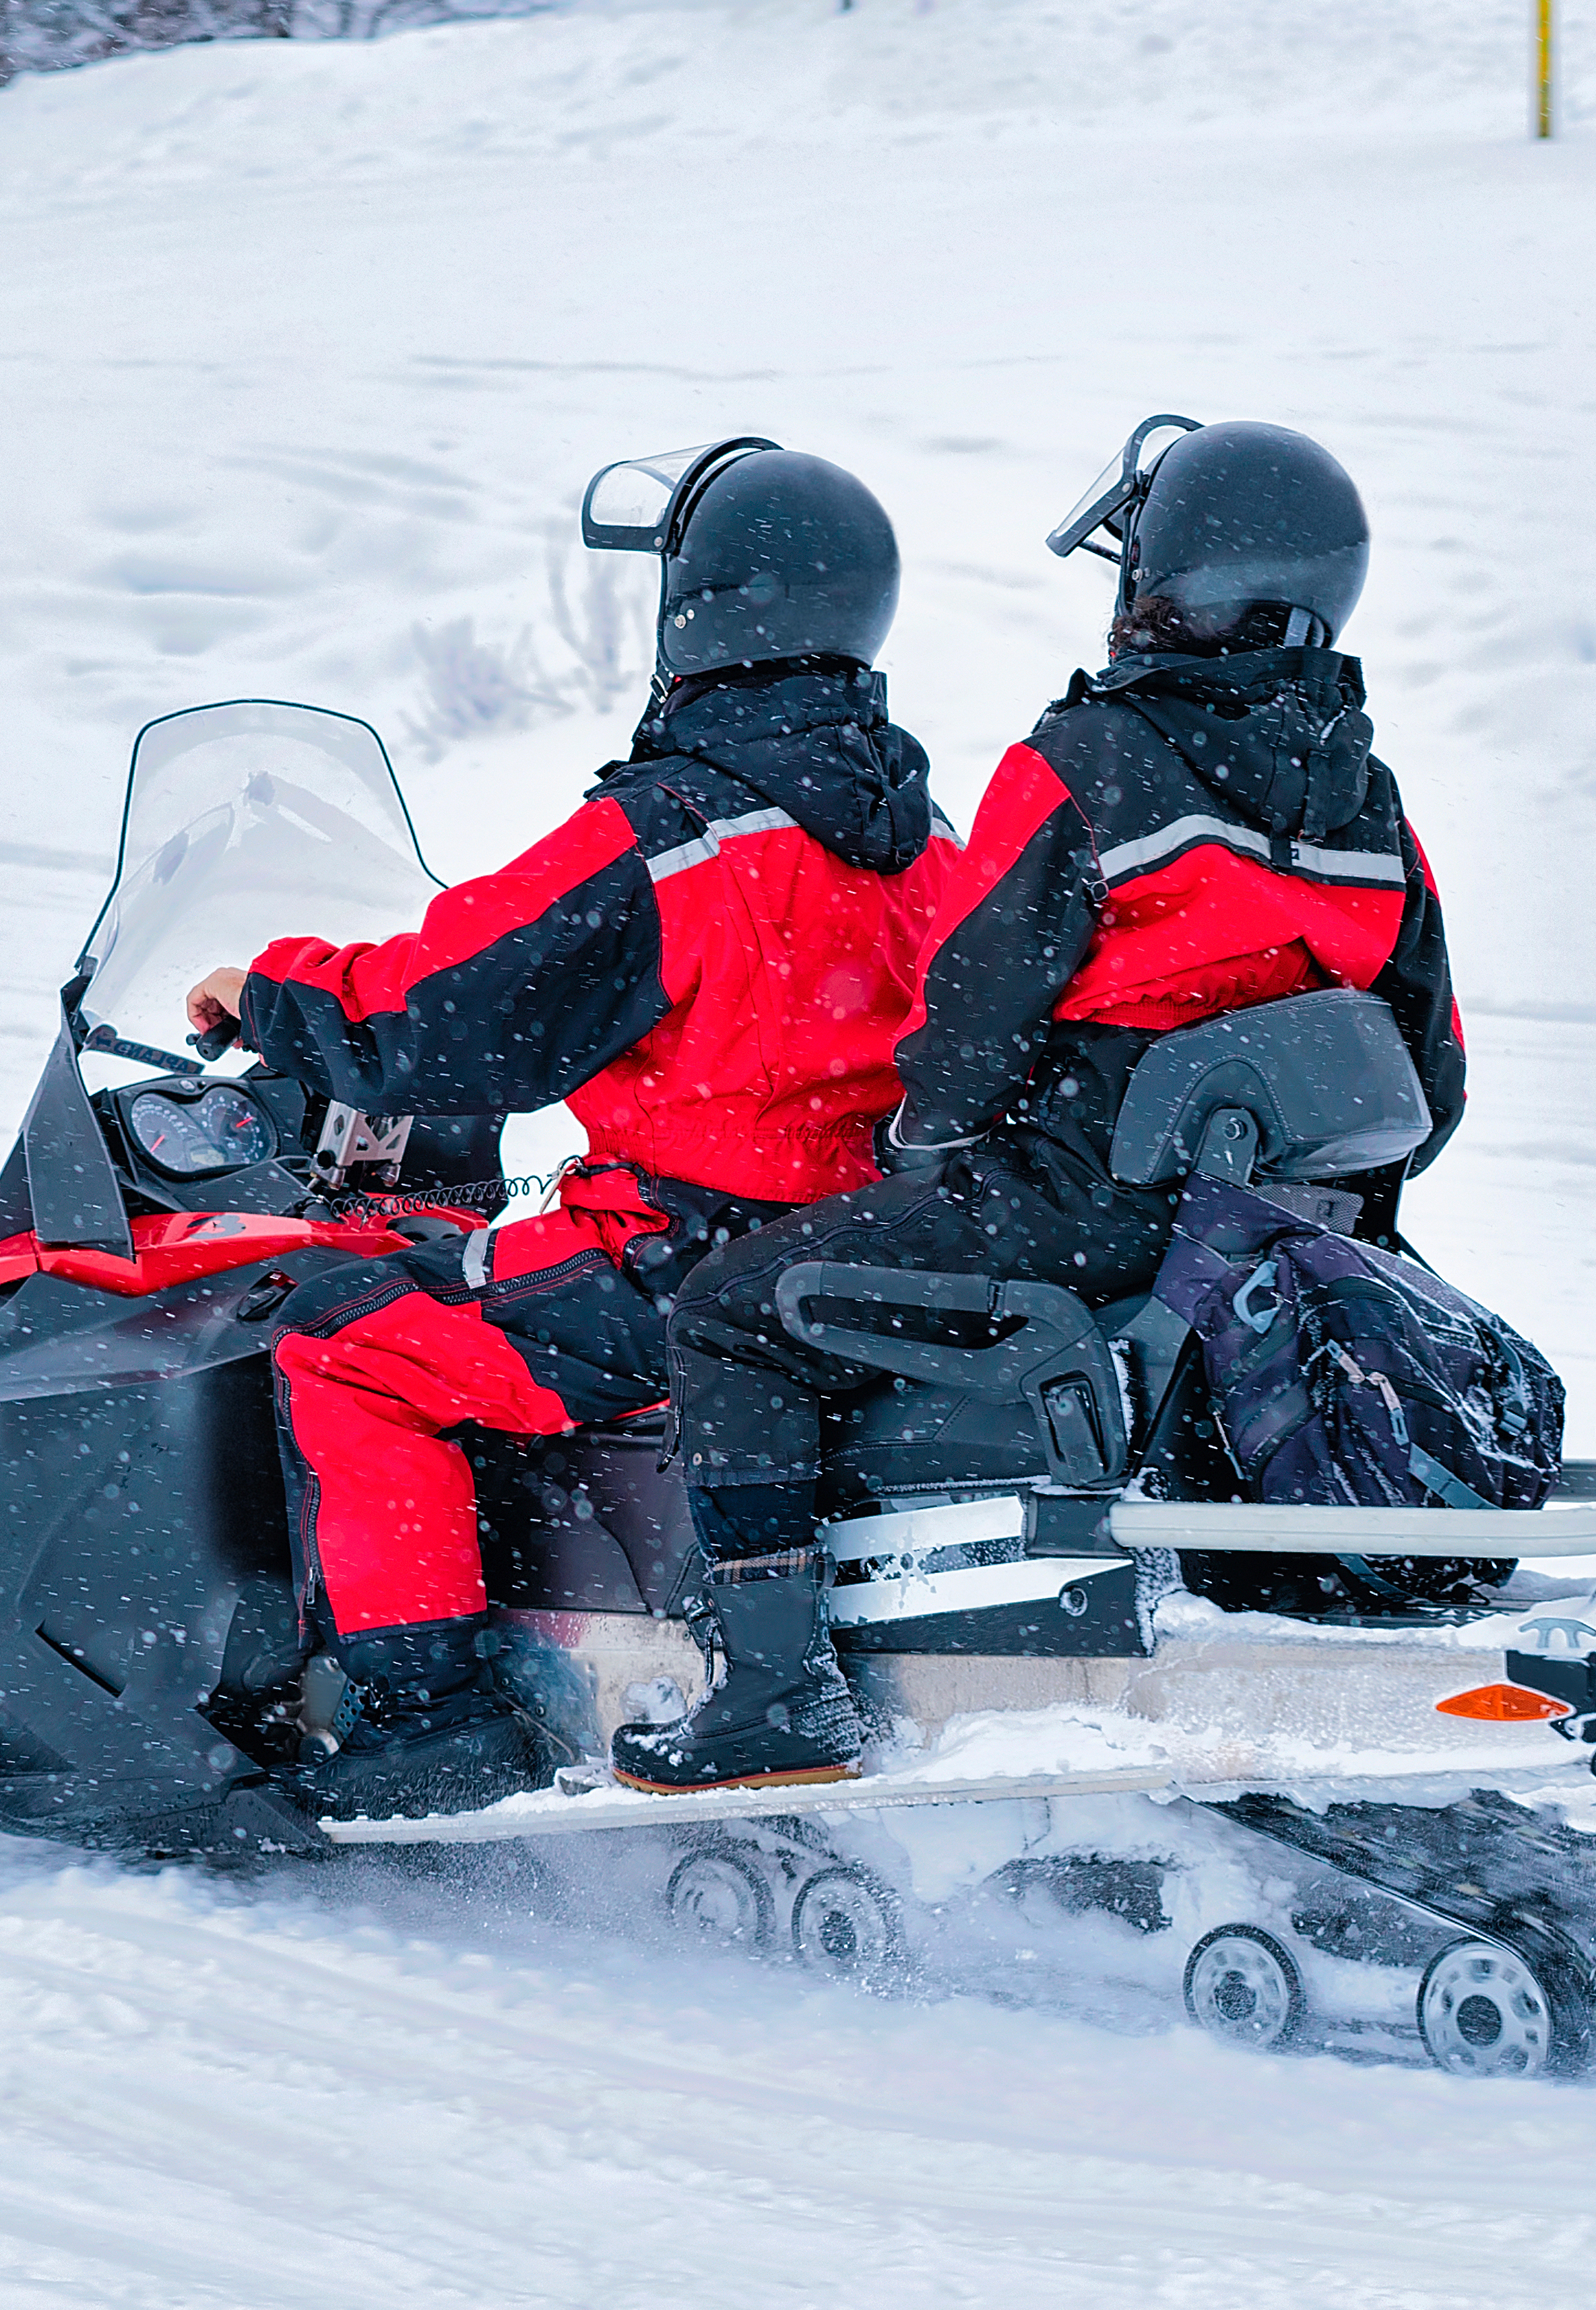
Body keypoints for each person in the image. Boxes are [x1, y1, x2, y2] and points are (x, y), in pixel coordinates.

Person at [621, 416, 1465, 1793]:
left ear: (1168, 575)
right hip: (1252, 1252)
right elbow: (1435, 1079)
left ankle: (774, 1687)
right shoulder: (1374, 808)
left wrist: (923, 1164)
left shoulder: (1088, 760)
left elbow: (963, 1034)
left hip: (1078, 1221)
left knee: (730, 1304)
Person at [182, 438, 946, 1820]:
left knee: (348, 1350)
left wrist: (276, 989)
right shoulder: (920, 838)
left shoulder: (678, 834)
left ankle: (435, 1714)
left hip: (681, 1258)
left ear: (697, 609)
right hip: (864, 1253)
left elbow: (446, 1008)